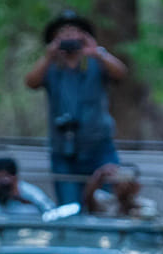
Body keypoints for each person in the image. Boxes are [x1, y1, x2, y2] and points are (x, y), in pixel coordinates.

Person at [24, 10, 128, 206]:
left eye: (74, 32)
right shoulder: (51, 68)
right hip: (63, 151)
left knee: (109, 205)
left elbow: (121, 73)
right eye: (63, 34)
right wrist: (49, 56)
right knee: (69, 209)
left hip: (100, 149)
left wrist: (96, 51)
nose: (69, 38)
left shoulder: (97, 64)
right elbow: (30, 82)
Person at [82, 164, 158, 219]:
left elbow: (147, 215)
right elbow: (88, 200)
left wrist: (128, 202)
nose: (122, 187)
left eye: (128, 184)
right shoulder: (105, 201)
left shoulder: (147, 204)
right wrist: (99, 174)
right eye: (117, 184)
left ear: (136, 187)